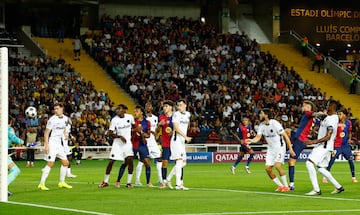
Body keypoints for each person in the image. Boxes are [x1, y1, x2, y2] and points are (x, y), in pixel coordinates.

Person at [245, 108, 294, 192]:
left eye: (261, 113)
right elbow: (258, 137)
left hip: (280, 147)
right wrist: (251, 141)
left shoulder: (275, 123)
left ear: (266, 115)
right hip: (271, 149)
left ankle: (286, 187)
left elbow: (285, 135)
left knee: (278, 166)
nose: (260, 115)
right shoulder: (261, 125)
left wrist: (290, 148)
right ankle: (280, 186)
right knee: (268, 169)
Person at [305, 100, 344, 195]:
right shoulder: (331, 117)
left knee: (309, 163)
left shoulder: (331, 120)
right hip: (328, 147)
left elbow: (328, 136)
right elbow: (324, 117)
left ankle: (316, 189)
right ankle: (338, 187)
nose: (326, 107)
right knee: (321, 168)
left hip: (324, 146)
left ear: (332, 107)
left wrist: (314, 141)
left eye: (328, 105)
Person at [99, 104, 135, 188]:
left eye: (119, 109)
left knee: (130, 160)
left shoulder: (129, 117)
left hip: (127, 143)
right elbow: (111, 133)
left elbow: (134, 126)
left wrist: (136, 130)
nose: (117, 110)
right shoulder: (114, 120)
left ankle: (129, 182)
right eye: (117, 109)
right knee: (111, 161)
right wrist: (119, 136)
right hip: (118, 143)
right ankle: (105, 181)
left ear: (124, 110)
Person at [38, 103, 73, 190]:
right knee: (50, 163)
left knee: (66, 163)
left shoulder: (65, 118)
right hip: (52, 143)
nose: (55, 111)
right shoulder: (52, 120)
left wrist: (65, 134)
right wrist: (46, 145)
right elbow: (46, 132)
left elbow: (64, 127)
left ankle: (62, 182)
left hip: (59, 144)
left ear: (62, 109)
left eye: (57, 109)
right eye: (55, 109)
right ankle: (41, 183)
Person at [322, 107, 357, 183]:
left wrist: (349, 139)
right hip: (337, 145)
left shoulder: (348, 123)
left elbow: (349, 131)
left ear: (344, 115)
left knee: (351, 160)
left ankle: (353, 177)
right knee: (331, 160)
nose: (339, 116)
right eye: (338, 114)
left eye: (340, 114)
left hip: (345, 146)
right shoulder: (335, 123)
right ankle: (325, 177)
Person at [287, 100, 317, 190]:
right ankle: (283, 148)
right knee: (286, 131)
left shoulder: (308, 113)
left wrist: (320, 114)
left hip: (300, 140)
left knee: (291, 162)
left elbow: (313, 114)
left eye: (303, 106)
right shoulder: (307, 116)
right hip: (298, 137)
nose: (302, 107)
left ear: (308, 107)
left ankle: (291, 185)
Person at [167, 99, 192, 190]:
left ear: (185, 105)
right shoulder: (176, 114)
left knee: (184, 163)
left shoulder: (188, 114)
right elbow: (176, 128)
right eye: (178, 105)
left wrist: (184, 137)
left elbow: (186, 125)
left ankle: (168, 179)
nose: (179, 107)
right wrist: (185, 137)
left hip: (182, 141)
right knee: (179, 161)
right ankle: (178, 185)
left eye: (181, 105)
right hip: (176, 140)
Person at [127, 106, 152, 187]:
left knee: (147, 163)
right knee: (127, 162)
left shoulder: (147, 122)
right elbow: (127, 132)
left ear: (141, 112)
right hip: (133, 144)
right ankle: (120, 181)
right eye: (134, 111)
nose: (135, 113)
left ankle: (148, 182)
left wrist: (144, 135)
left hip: (142, 144)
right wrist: (135, 130)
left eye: (137, 111)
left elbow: (148, 135)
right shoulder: (132, 122)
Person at [156, 100, 174, 189]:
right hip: (166, 143)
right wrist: (159, 125)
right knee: (165, 163)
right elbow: (157, 131)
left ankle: (180, 181)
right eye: (164, 106)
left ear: (171, 107)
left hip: (175, 143)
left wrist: (174, 132)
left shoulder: (176, 117)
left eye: (166, 106)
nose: (164, 108)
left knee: (179, 162)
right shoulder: (161, 117)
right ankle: (163, 181)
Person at [8, 115, 25, 196]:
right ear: (11, 122)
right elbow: (13, 137)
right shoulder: (9, 129)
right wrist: (22, 142)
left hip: (4, 153)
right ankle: (3, 188)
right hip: (2, 154)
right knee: (15, 170)